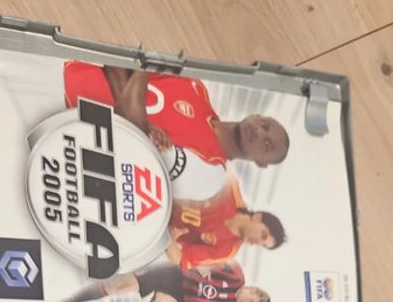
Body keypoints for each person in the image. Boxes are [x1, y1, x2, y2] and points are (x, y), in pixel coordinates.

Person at [63, 61, 289, 168]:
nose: (260, 133)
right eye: (265, 125)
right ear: (256, 115)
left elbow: (132, 153)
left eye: (267, 144)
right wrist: (134, 117)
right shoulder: (196, 88)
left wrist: (134, 118)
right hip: (65, 70)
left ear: (261, 163)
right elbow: (120, 62)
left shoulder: (210, 169)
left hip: (65, 130)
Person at [50, 262, 270, 302]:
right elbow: (213, 256)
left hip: (180, 297)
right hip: (176, 274)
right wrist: (204, 265)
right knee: (119, 286)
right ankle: (68, 301)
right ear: (253, 289)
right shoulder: (235, 272)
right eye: (251, 300)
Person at [168, 181, 285, 268]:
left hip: (161, 226)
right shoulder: (230, 188)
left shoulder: (227, 251)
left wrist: (170, 238)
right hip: (166, 187)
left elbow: (179, 259)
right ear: (257, 217)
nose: (257, 242)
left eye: (262, 245)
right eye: (263, 235)